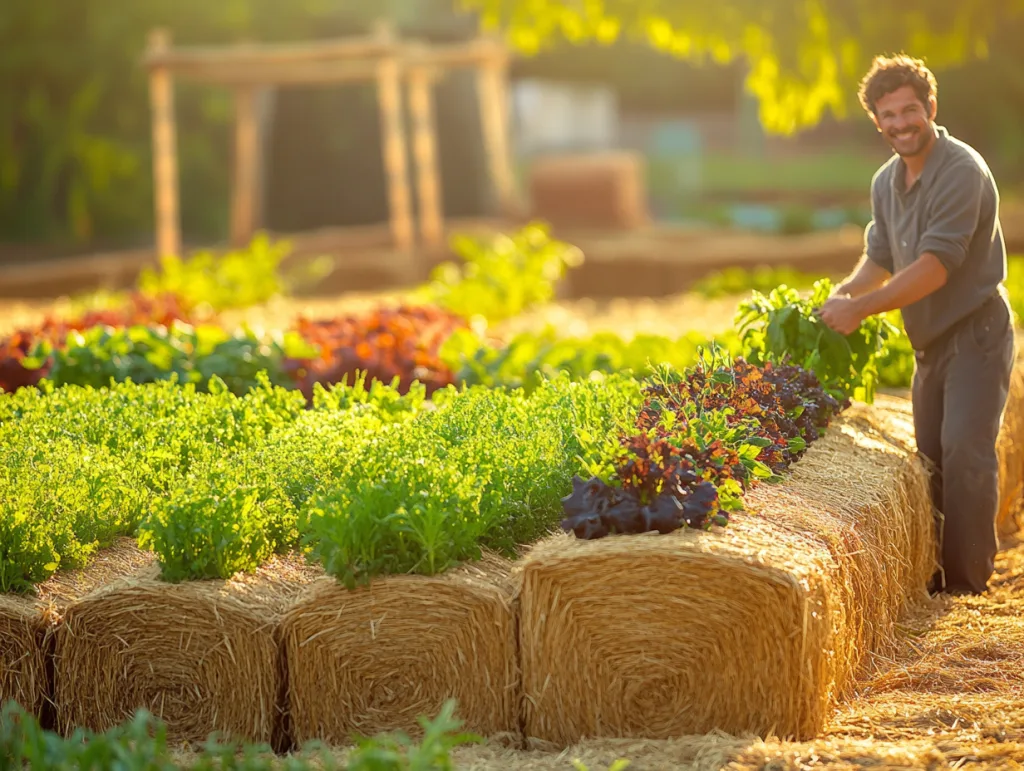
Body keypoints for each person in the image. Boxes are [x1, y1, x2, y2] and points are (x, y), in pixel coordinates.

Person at [818, 53, 1015, 596]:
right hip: (929, 341)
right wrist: (844, 292)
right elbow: (878, 254)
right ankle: (931, 575)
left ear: (931, 106)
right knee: (929, 460)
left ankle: (967, 587)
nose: (901, 123)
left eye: (910, 110)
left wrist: (861, 309)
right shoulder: (886, 181)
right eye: (889, 115)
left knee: (965, 454)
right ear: (877, 121)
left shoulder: (962, 170)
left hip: (976, 331)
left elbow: (934, 267)